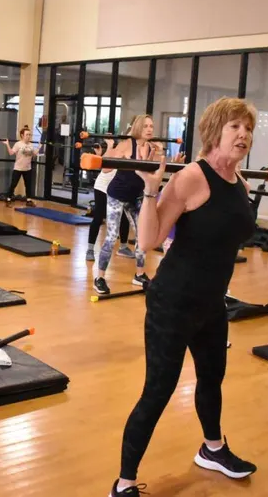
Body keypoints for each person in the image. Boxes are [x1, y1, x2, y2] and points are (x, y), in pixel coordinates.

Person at [108, 98, 259, 497]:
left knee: (212, 379)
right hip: (172, 302)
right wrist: (151, 190)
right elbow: (148, 240)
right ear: (214, 132)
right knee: (158, 391)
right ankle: (123, 484)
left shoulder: (239, 182)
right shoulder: (192, 177)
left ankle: (213, 449)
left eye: (247, 128)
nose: (243, 135)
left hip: (211, 303)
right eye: (234, 127)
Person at [94, 115, 160, 295]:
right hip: (116, 194)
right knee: (111, 236)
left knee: (142, 236)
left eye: (151, 126)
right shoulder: (126, 145)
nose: (149, 129)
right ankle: (99, 278)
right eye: (146, 126)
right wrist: (111, 149)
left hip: (135, 197)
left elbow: (152, 175)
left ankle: (139, 275)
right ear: (138, 127)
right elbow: (106, 168)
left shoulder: (150, 148)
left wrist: (157, 155)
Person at [87, 139, 132, 262]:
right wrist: (110, 146)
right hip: (102, 187)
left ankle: (123, 247)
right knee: (99, 216)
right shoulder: (115, 151)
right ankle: (90, 249)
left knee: (124, 217)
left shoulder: (132, 153)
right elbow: (105, 169)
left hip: (118, 188)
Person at [3, 125, 39, 205]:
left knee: (28, 185)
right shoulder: (18, 144)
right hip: (18, 168)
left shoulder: (31, 145)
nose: (29, 136)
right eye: (27, 134)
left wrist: (39, 147)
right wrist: (7, 144)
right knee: (13, 184)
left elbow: (33, 155)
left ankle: (28, 200)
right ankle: (8, 199)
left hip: (27, 168)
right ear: (22, 135)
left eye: (29, 135)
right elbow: (11, 153)